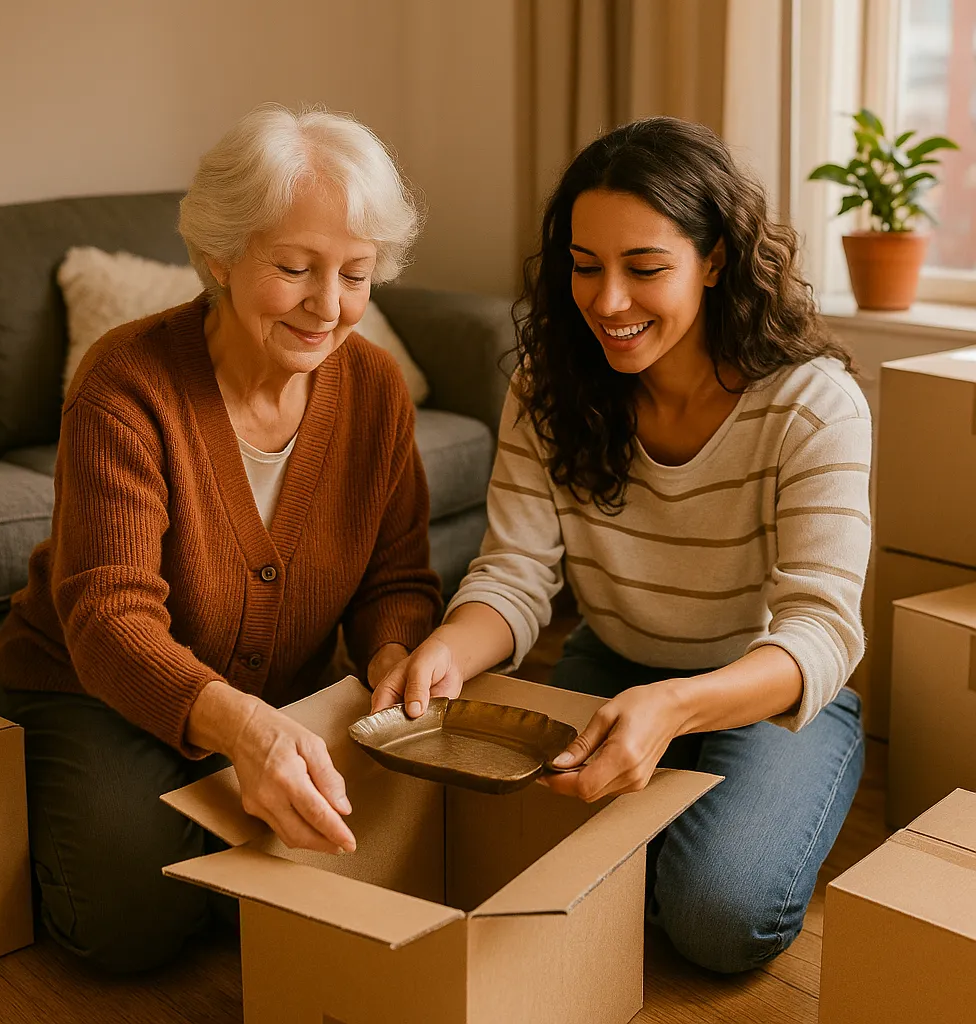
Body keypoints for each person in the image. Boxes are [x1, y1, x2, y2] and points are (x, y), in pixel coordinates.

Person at [372, 117, 870, 975]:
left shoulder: (813, 405)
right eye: (584, 266)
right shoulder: (547, 385)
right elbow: (515, 574)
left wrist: (678, 709)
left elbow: (819, 630)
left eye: (644, 269)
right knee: (519, 865)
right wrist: (448, 649)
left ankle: (811, 755)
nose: (607, 302)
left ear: (714, 260)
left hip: (762, 681)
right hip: (616, 663)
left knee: (717, 919)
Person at [0, 103, 441, 972]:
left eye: (356, 273)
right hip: (100, 686)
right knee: (125, 923)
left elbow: (397, 579)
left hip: (278, 698)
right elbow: (110, 619)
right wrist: (247, 733)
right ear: (218, 258)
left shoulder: (376, 388)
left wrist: (392, 656)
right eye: (295, 268)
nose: (329, 306)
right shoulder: (125, 385)